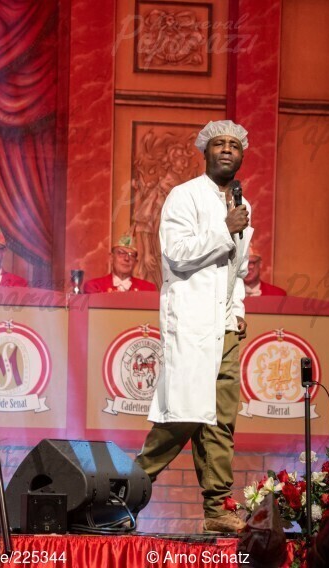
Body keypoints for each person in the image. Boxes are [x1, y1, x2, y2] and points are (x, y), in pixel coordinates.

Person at [135, 119, 253, 534]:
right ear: (205, 152)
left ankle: (217, 507)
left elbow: (238, 269)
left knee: (221, 420)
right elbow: (177, 254)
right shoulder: (183, 196)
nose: (227, 150)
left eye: (234, 145)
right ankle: (123, 494)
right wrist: (225, 229)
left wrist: (237, 309)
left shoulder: (242, 204)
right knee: (182, 417)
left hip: (225, 326)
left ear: (242, 155)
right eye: (219, 144)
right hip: (190, 322)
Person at [83, 234, 156, 293]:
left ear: (135, 263)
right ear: (111, 258)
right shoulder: (95, 286)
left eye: (131, 255)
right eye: (121, 253)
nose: (127, 258)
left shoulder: (148, 289)